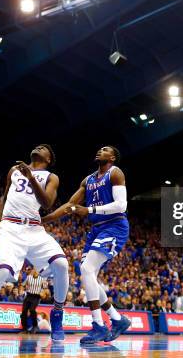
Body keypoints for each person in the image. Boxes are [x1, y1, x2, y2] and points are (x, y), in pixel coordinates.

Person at [0, 145, 69, 343]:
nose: (39, 147)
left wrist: (30, 177)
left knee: (62, 264)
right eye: (38, 145)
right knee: (1, 272)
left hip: (35, 229)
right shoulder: (14, 171)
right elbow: (5, 196)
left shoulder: (51, 177)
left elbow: (46, 203)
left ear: (48, 159)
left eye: (44, 148)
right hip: (11, 227)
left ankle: (57, 314)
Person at [43, 146, 132, 344]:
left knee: (87, 268)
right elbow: (70, 206)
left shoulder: (115, 173)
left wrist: (89, 208)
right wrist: (45, 219)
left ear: (113, 157)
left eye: (105, 149)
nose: (100, 150)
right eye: (99, 148)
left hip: (115, 226)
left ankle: (98, 325)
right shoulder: (88, 180)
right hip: (96, 230)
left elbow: (121, 205)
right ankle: (117, 319)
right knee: (87, 273)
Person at [21, 269, 45, 334]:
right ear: (32, 271)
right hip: (29, 295)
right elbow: (22, 285)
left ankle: (35, 326)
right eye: (34, 270)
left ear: (38, 272)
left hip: (36, 296)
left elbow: (45, 288)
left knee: (32, 309)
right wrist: (21, 290)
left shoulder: (42, 279)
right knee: (24, 311)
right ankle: (24, 329)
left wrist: (43, 293)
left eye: (36, 270)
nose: (35, 271)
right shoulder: (29, 277)